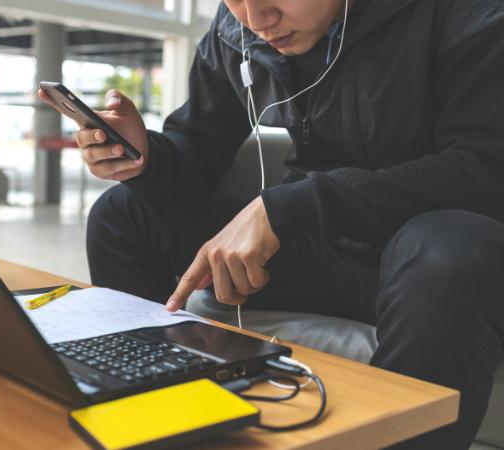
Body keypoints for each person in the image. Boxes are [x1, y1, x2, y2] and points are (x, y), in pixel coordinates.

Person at [39, 0, 504, 448]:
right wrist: (147, 158)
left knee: (449, 253)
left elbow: (486, 166)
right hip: (320, 250)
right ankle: (154, 411)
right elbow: (199, 147)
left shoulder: (466, 12)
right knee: (122, 215)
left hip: (429, 263)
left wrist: (288, 208)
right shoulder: (234, 29)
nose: (258, 18)